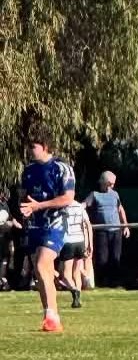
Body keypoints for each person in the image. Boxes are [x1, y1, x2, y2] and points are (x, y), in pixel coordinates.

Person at [17, 125, 77, 332]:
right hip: (35, 225)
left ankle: (52, 316)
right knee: (40, 270)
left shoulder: (61, 168)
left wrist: (38, 206)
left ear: (45, 147)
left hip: (55, 223)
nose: (29, 151)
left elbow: (68, 198)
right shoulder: (28, 171)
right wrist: (25, 209)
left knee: (43, 265)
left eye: (33, 147)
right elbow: (25, 197)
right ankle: (49, 315)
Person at [84, 171, 126, 287]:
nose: (112, 186)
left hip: (116, 230)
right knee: (102, 258)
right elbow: (84, 205)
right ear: (103, 183)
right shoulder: (94, 194)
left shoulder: (115, 194)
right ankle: (102, 282)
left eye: (113, 184)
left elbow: (120, 209)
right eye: (110, 184)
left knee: (115, 257)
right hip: (101, 231)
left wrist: (125, 225)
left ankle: (115, 282)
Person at [57, 194, 91, 308]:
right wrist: (89, 243)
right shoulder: (80, 207)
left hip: (69, 240)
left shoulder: (63, 207)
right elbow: (87, 224)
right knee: (76, 272)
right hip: (80, 241)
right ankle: (78, 300)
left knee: (66, 275)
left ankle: (75, 291)